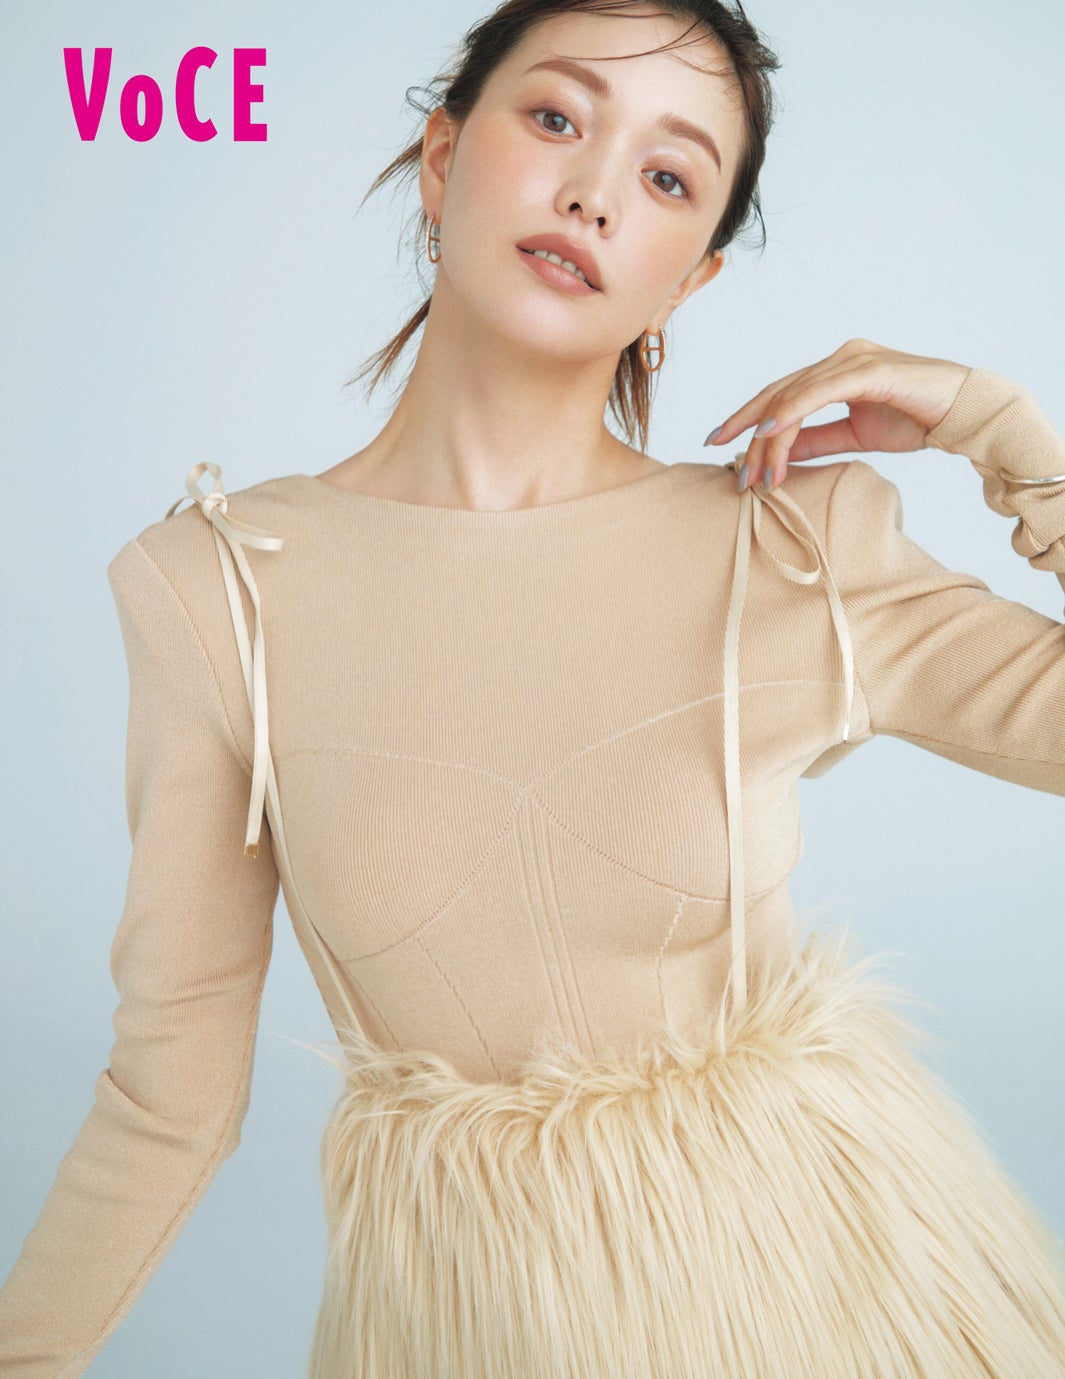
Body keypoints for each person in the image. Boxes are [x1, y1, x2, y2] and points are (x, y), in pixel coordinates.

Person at [2, 1, 1064, 1375]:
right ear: (442, 159)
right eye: (557, 118)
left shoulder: (790, 550)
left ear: (689, 281)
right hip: (464, 1325)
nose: (593, 193)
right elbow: (169, 1100)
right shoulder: (220, 592)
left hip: (825, 1299)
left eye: (666, 177)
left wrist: (1009, 438)